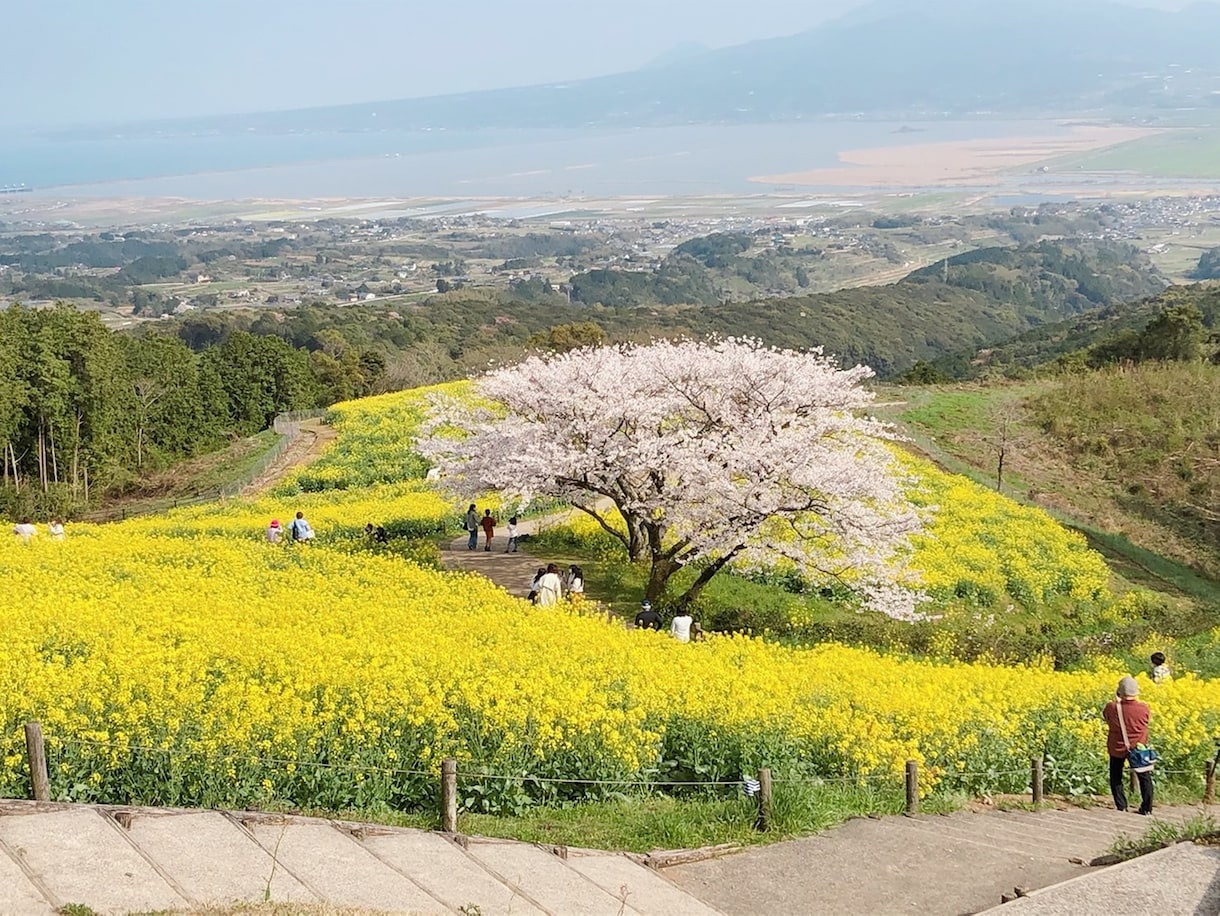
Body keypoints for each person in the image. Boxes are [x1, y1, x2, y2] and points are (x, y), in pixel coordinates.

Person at [1102, 676, 1153, 815]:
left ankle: (1121, 806)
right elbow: (1147, 721)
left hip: (1117, 746)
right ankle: (1147, 808)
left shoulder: (1112, 707)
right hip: (1138, 748)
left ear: (1119, 692)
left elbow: (1106, 717)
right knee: (1144, 777)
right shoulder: (1143, 708)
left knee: (1116, 776)